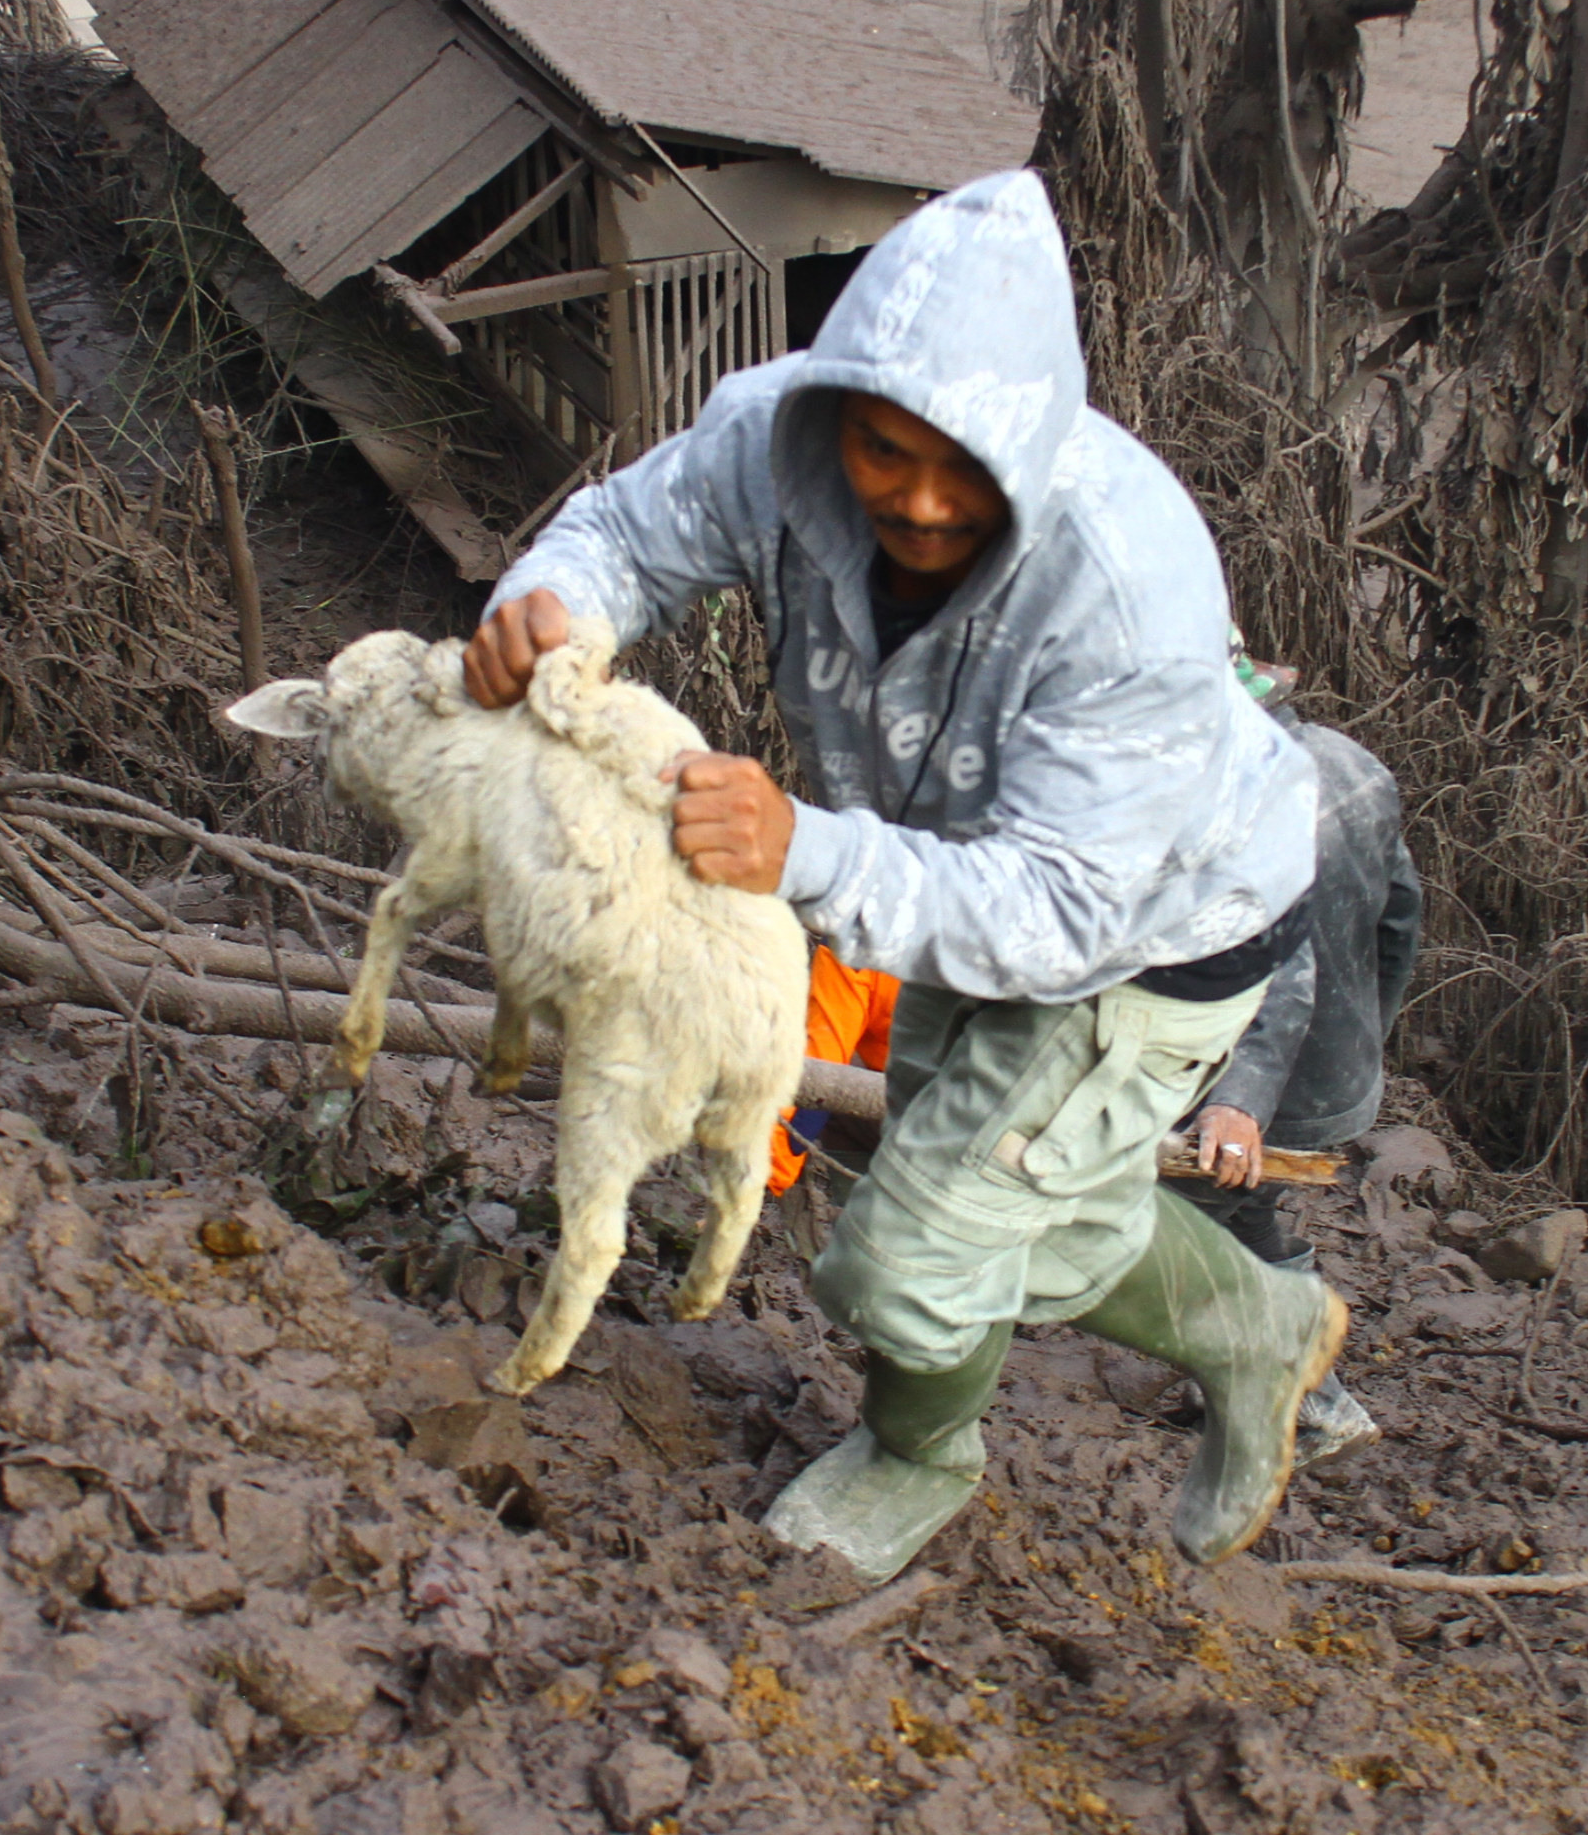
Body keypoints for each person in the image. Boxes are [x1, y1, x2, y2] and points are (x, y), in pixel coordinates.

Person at [460, 170, 1341, 1588]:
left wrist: (806, 851)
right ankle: (1261, 1324)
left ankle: (918, 1454)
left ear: (1037, 445)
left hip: (1161, 923)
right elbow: (621, 535)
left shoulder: (1123, 586)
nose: (920, 506)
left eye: (966, 473)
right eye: (881, 455)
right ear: (836, 417)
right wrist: (547, 607)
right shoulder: (774, 438)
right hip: (945, 869)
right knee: (1025, 1204)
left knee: (909, 1257)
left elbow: (1061, 911)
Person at [1173, 696, 1423, 1470]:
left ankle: (1318, 1401)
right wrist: (1367, 1036)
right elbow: (1402, 917)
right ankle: (1230, 1376)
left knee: (1209, 1217)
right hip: (1337, 1062)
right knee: (1234, 1210)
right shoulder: (1353, 767)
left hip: (1258, 1071)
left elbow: (1280, 975)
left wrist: (1235, 1097)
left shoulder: (1228, 807)